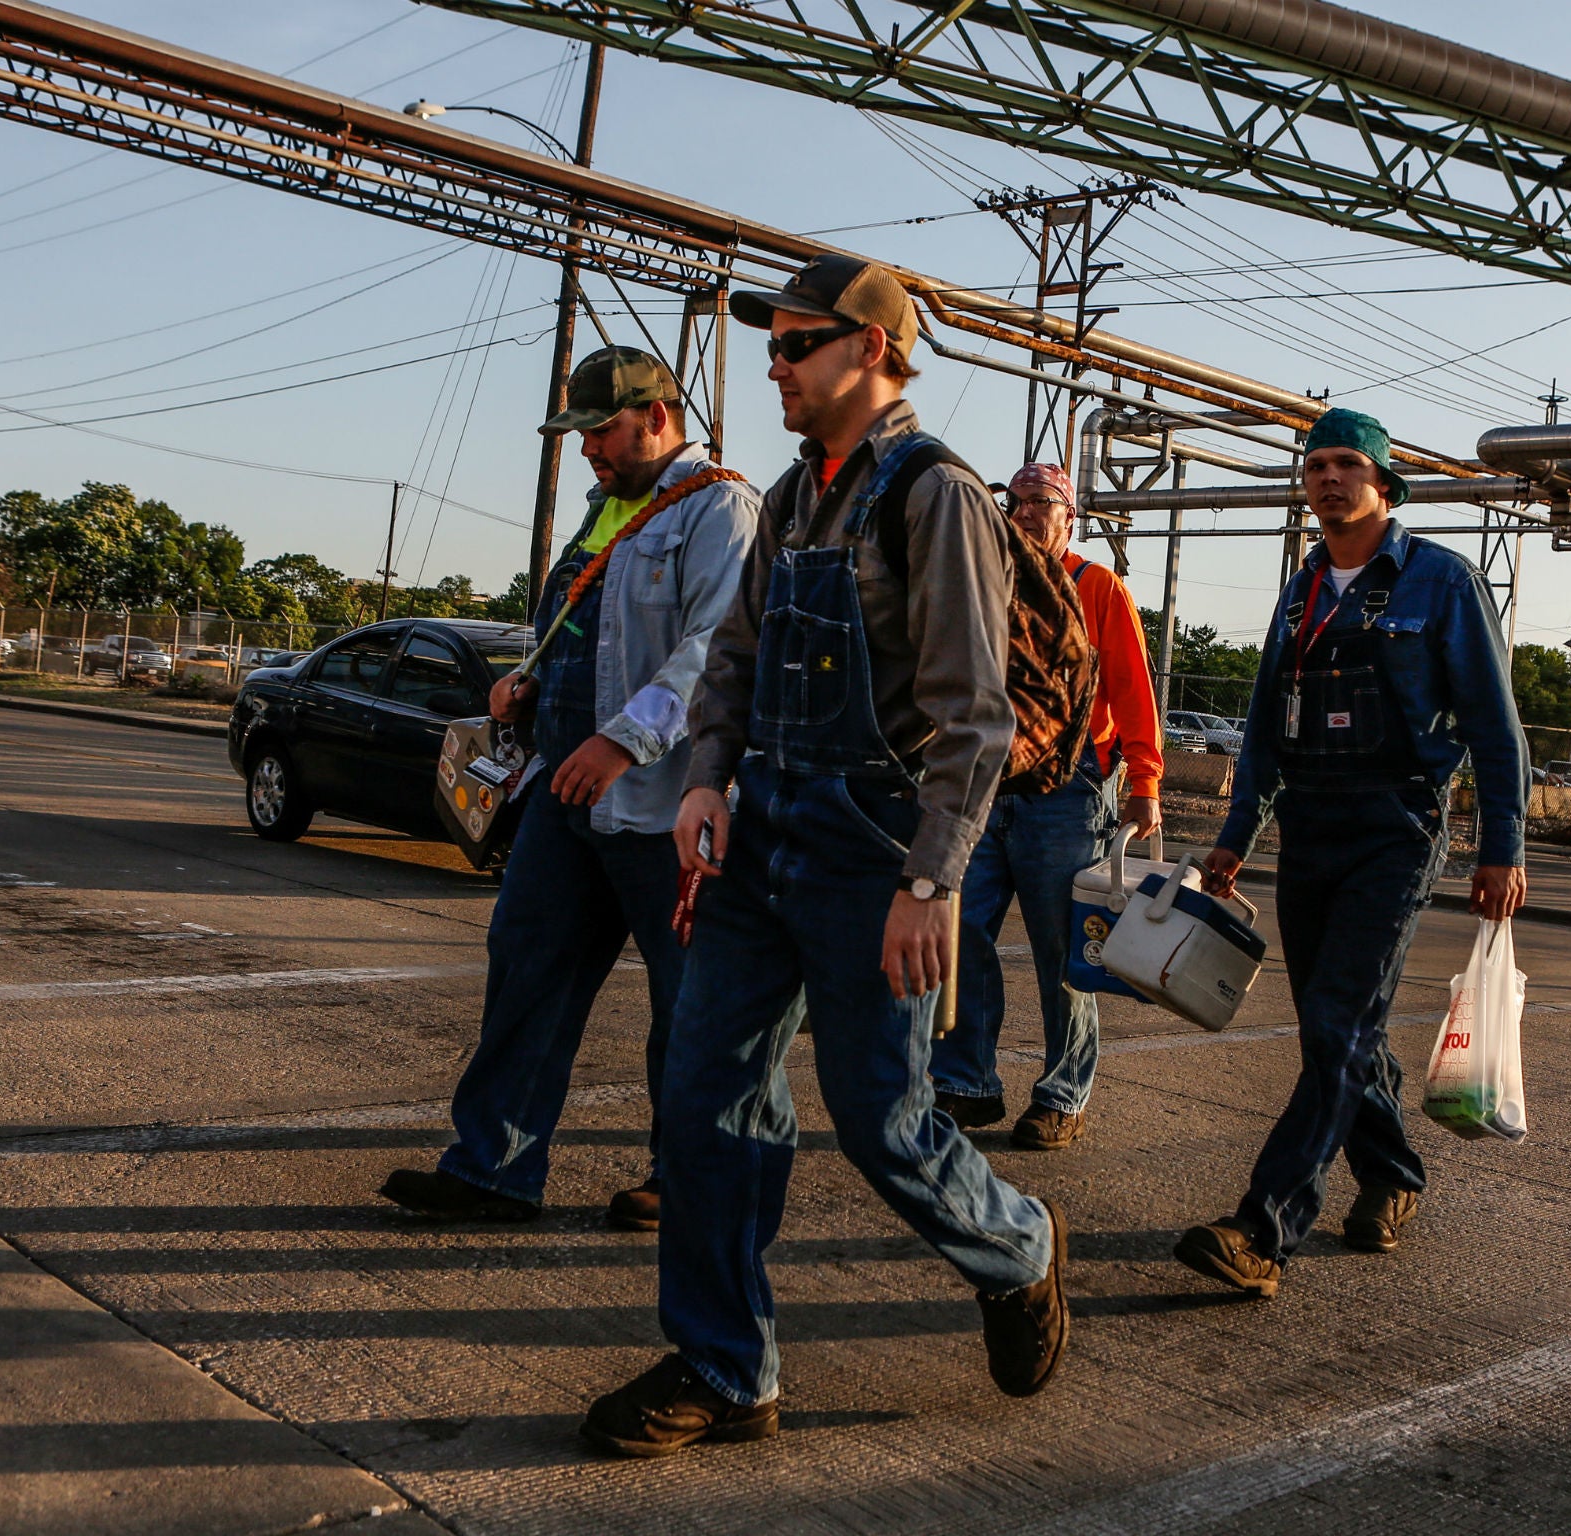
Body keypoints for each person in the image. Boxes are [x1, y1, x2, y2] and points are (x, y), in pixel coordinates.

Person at [578, 256, 1068, 1459]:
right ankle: (724, 1365)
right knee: (704, 1095)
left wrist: (928, 883)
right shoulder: (796, 495)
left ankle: (1015, 1247)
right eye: (774, 346)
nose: (775, 365)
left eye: (796, 344)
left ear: (872, 350)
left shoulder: (934, 495)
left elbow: (973, 718)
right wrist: (704, 779)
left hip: (871, 853)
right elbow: (734, 657)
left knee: (882, 1122)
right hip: (761, 839)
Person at [379, 348, 760, 1228]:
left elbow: (715, 651)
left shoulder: (720, 509)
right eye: (582, 434)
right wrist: (528, 683)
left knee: (692, 1001)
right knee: (526, 970)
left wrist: (624, 742)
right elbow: (580, 626)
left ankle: (690, 1180)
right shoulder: (607, 509)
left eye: (601, 431)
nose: (588, 450)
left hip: (668, 806)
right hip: (567, 789)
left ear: (657, 417)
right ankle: (495, 1170)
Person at [1173, 407, 1528, 1299]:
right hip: (1311, 827)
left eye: (1345, 465)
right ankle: (1395, 1173)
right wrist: (1234, 834)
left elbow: (1495, 724)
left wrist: (1502, 845)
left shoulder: (1440, 582)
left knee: (1338, 1021)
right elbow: (1262, 725)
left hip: (1396, 829)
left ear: (1382, 481)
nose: (1328, 478)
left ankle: (1263, 1228)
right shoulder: (1300, 592)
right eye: (1315, 465)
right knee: (1338, 1026)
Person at [930, 461, 1163, 1149]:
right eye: (1015, 501)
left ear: (1071, 518)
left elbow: (1132, 689)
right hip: (987, 778)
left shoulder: (1099, 587)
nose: (1025, 512)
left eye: (1041, 502)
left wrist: (1145, 783)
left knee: (1064, 949)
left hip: (1070, 787)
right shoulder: (985, 581)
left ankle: (1062, 1093)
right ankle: (967, 1082)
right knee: (960, 928)